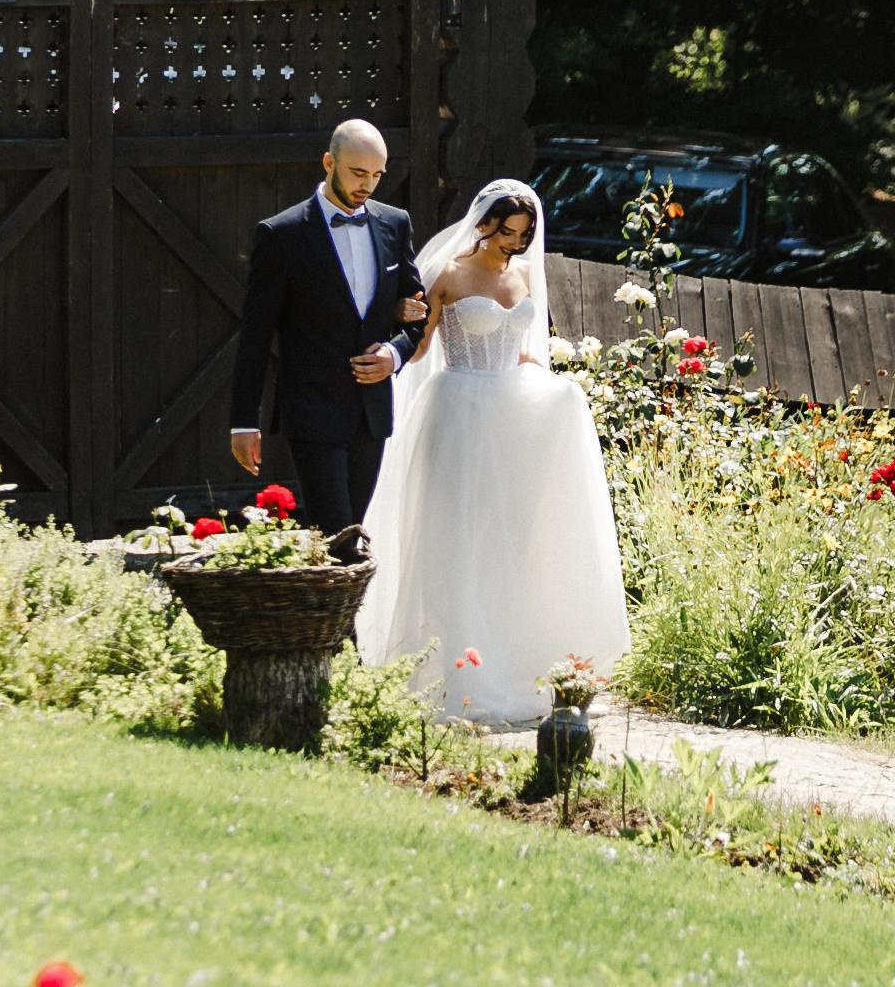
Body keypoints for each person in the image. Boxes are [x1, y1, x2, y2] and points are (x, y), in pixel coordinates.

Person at [356, 178, 630, 725]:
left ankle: (514, 661)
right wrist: (400, 332)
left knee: (513, 541)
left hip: (513, 416)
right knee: (458, 537)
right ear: (483, 223)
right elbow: (420, 351)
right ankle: (454, 669)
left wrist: (553, 390)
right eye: (506, 231)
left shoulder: (525, 272)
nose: (513, 243)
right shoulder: (449, 274)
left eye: (523, 234)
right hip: (459, 410)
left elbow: (524, 351)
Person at [229, 118, 427, 551]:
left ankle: (336, 620)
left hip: (372, 414)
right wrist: (244, 421)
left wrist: (393, 355)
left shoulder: (396, 225)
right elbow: (256, 334)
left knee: (355, 531)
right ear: (328, 162)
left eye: (377, 175)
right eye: (358, 173)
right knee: (341, 539)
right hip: (312, 409)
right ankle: (343, 622)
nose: (368, 185)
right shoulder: (281, 234)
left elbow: (417, 314)